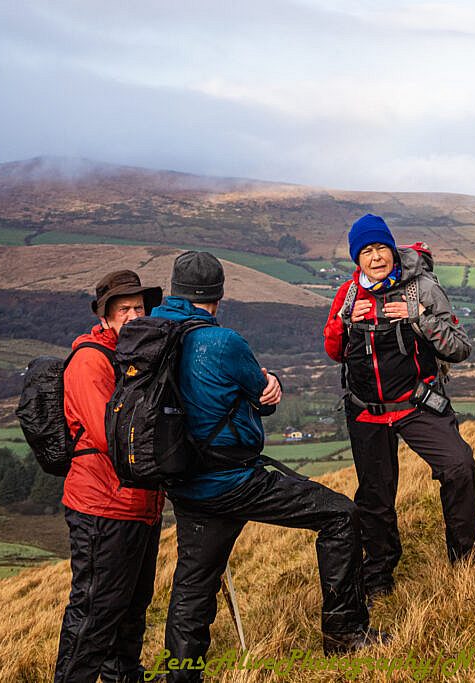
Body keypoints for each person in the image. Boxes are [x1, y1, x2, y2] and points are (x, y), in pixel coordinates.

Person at [155, 251, 383, 680]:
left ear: (174, 290)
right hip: (234, 480)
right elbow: (262, 392)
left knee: (192, 586)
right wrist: (268, 386)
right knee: (340, 516)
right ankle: (345, 634)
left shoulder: (152, 335)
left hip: (185, 483)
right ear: (217, 296)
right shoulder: (221, 342)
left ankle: (181, 675)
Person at [323, 214, 475, 602]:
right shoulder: (348, 294)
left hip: (417, 403)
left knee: (460, 466)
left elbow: (459, 348)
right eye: (366, 251)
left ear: (392, 250)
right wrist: (345, 323)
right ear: (356, 259)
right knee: (375, 496)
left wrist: (419, 319)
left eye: (380, 247)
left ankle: (468, 559)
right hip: (366, 411)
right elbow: (333, 351)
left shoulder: (422, 289)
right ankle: (379, 575)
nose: (375, 257)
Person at [54, 270, 165, 683]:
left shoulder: (138, 358)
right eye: (124, 310)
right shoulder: (90, 362)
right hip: (102, 507)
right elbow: (112, 435)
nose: (134, 316)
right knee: (94, 614)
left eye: (139, 307)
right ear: (105, 317)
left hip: (140, 507)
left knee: (132, 611)